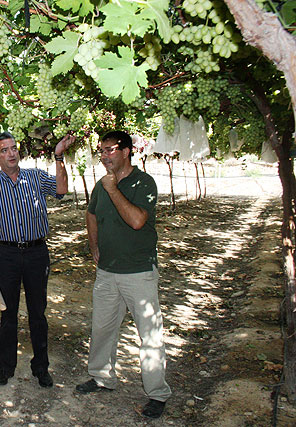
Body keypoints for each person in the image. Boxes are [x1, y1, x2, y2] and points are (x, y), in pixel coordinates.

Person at [75, 131, 172, 419]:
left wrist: (114, 188)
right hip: (107, 272)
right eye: (101, 151)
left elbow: (137, 220)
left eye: (110, 150)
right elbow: (91, 214)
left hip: (138, 272)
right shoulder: (100, 185)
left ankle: (157, 393)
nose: (104, 155)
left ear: (127, 151)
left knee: (149, 334)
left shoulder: (144, 183)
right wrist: (94, 246)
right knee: (102, 328)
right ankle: (102, 376)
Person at [0, 132, 75, 388]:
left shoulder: (34, 176)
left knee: (38, 312)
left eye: (13, 148)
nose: (11, 153)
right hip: (7, 254)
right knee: (7, 312)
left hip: (36, 253)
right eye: (4, 150)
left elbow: (61, 188)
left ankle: (41, 367)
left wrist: (58, 156)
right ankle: (6, 366)